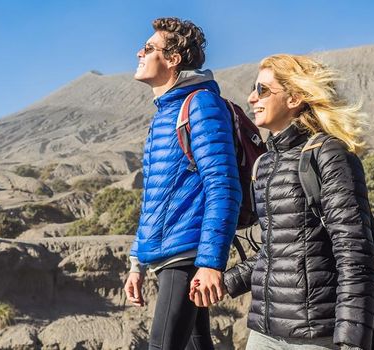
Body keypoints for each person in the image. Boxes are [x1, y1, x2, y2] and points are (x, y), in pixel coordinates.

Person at [221, 54, 374, 350]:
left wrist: (351, 340)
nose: (251, 97)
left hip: (315, 336)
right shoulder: (266, 164)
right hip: (263, 331)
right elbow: (277, 250)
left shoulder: (329, 155)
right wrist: (227, 281)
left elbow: (354, 252)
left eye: (263, 90)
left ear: (294, 98)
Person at [122, 17, 242, 350]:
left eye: (148, 48)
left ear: (173, 59)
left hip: (185, 257)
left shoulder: (200, 104)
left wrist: (209, 262)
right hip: (168, 257)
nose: (138, 53)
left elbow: (224, 186)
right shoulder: (165, 113)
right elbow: (155, 200)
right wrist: (137, 262)